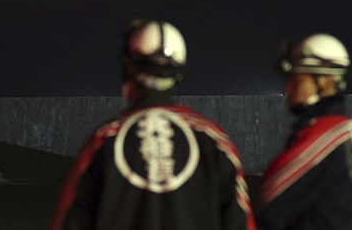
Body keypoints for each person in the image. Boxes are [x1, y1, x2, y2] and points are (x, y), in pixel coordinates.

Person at [49, 19, 256, 230]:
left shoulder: (103, 140)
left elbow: (67, 221)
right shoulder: (216, 142)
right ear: (179, 73)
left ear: (128, 69)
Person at [256, 33, 352, 230]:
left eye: (296, 80)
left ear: (326, 81)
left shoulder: (328, 135)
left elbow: (268, 201)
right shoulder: (339, 129)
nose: (287, 88)